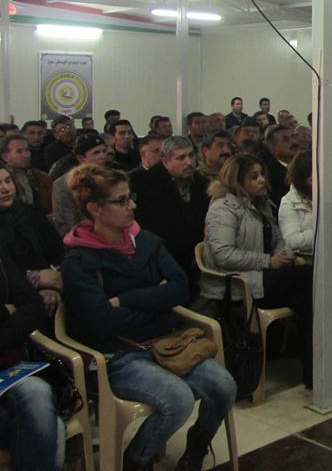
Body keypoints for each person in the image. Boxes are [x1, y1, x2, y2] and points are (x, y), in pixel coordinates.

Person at [61, 164, 236, 471]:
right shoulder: (79, 261)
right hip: (118, 354)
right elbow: (102, 322)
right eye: (121, 201)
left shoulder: (146, 242)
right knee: (178, 399)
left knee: (224, 385)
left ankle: (196, 447)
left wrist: (126, 299)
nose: (132, 205)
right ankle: (136, 459)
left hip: (166, 343)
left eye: (131, 197)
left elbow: (180, 288)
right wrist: (157, 300)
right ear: (95, 209)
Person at [200, 154, 314, 389]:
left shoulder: (261, 203)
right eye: (254, 176)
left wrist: (286, 256)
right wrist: (268, 261)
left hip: (262, 276)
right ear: (237, 180)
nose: (262, 180)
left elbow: (277, 240)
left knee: (308, 299)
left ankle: (314, 372)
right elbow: (223, 254)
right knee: (310, 277)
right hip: (237, 282)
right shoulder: (222, 208)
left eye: (262, 174)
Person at [0, 247, 64, 471]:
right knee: (53, 427)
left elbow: (33, 307)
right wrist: (7, 311)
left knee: (38, 392)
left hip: (8, 368)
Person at [131, 137, 210, 295]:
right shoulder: (144, 184)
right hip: (161, 259)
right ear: (165, 161)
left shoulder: (202, 183)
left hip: (196, 257)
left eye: (191, 155)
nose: (189, 162)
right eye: (181, 158)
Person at [0, 165, 64, 317]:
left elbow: (59, 254)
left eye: (8, 181)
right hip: (12, 301)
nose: (6, 189)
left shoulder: (32, 214)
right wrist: (34, 280)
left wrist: (51, 286)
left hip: (53, 287)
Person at [50, 134, 109, 237]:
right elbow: (68, 223)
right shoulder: (64, 184)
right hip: (81, 238)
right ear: (81, 158)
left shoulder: (111, 178)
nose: (103, 156)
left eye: (104, 151)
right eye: (96, 153)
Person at [0, 134, 52, 213]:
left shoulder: (43, 178)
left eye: (27, 150)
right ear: (5, 157)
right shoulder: (4, 181)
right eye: (19, 151)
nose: (26, 155)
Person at [278, 151, 314, 254]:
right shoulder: (288, 202)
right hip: (306, 259)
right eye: (312, 180)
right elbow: (293, 241)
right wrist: (327, 231)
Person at [263, 125, 295, 211]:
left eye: (293, 137)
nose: (293, 142)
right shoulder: (271, 174)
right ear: (273, 148)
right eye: (286, 140)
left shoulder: (306, 164)